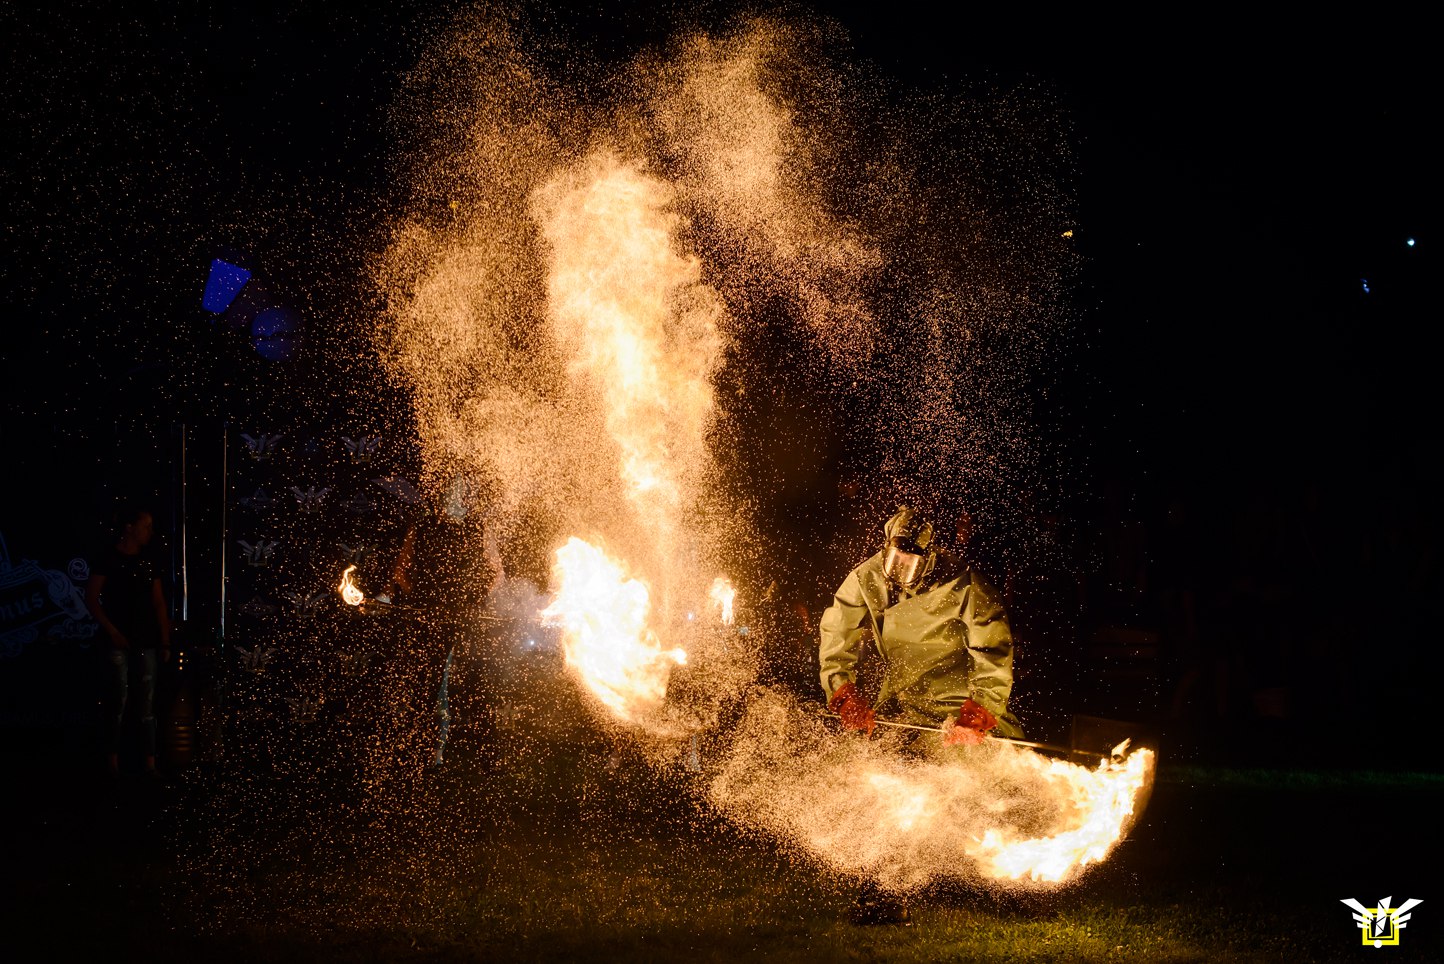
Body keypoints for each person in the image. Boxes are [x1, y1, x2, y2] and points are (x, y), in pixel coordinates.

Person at [819, 504, 1023, 924]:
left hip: (959, 701)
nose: (900, 572)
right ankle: (884, 892)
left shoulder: (965, 584)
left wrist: (981, 711)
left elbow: (993, 651)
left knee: (997, 783)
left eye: (911, 563)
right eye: (895, 559)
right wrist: (843, 692)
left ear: (930, 557)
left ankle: (1017, 883)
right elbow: (837, 632)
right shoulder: (866, 576)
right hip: (903, 698)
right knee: (887, 782)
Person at [383, 473, 503, 769]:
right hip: (430, 619)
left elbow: (496, 573)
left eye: (458, 491)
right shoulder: (423, 526)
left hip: (467, 619)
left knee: (476, 683)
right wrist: (423, 601)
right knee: (425, 685)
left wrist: (473, 601)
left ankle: (484, 753)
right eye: (447, 490)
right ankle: (420, 752)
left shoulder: (478, 528)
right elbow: (400, 571)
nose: (451, 497)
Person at [86, 506, 172, 778]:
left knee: (146, 705)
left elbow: (159, 602)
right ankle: (112, 762)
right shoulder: (108, 558)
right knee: (117, 702)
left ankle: (149, 762)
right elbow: (92, 598)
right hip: (117, 640)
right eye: (146, 526)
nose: (150, 532)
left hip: (145, 639)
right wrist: (112, 631)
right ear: (129, 527)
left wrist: (165, 640)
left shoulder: (149, 560)